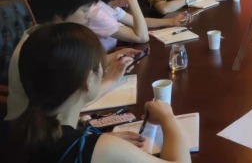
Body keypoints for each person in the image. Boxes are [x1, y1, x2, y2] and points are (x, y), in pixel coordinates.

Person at [2, 23, 191, 163]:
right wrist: (167, 118)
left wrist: (96, 143)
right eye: (100, 65)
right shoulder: (98, 148)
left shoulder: (16, 133)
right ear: (87, 80)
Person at [6, 0, 139, 121]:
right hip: (33, 127)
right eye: (84, 10)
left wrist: (113, 59)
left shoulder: (51, 35)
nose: (88, 16)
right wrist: (112, 79)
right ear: (59, 12)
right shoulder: (46, 49)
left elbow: (74, 69)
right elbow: (73, 102)